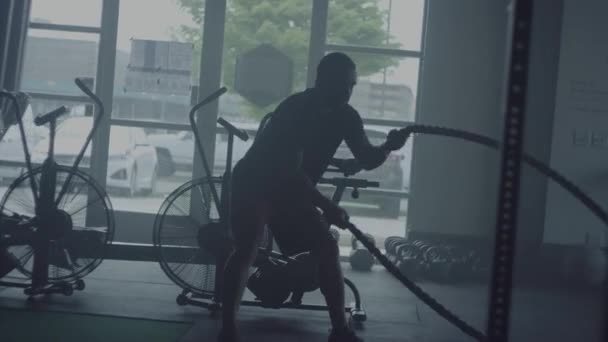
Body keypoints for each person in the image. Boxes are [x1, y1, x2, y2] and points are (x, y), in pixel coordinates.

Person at [218, 52, 407, 342]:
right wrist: (327, 206)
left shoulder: (347, 116)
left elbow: (367, 158)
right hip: (254, 184)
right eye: (340, 84)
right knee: (248, 247)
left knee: (328, 248)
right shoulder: (295, 109)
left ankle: (340, 331)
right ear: (320, 81)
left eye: (351, 85)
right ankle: (228, 331)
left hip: (290, 192)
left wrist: (388, 147)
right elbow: (289, 171)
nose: (346, 91)